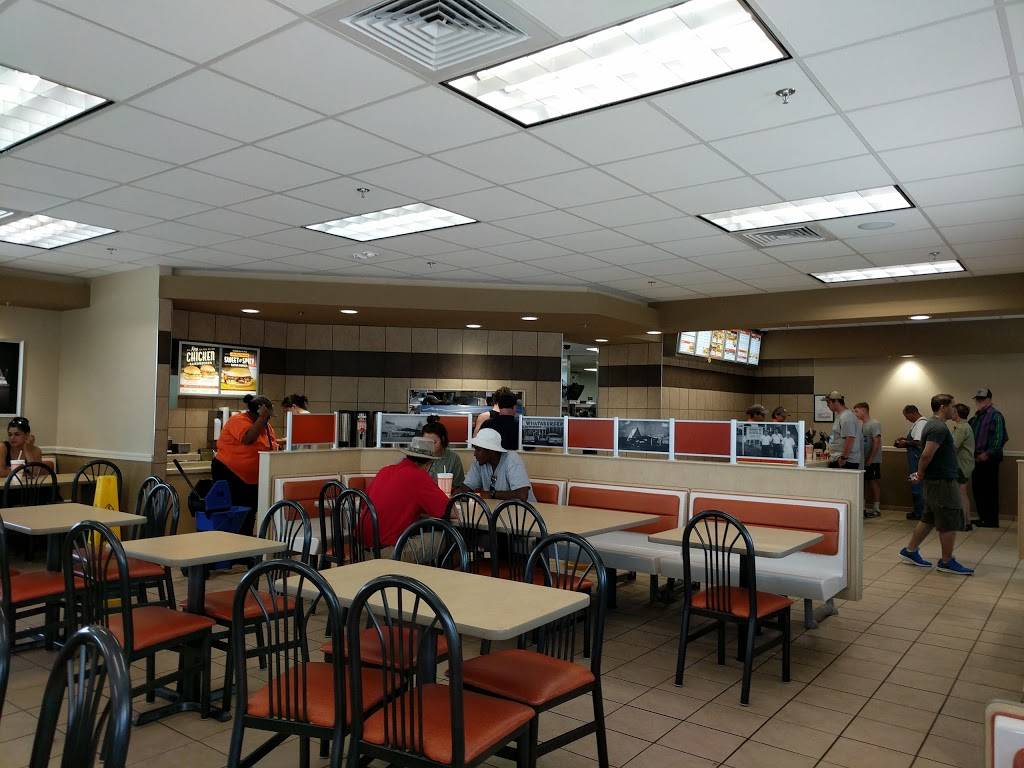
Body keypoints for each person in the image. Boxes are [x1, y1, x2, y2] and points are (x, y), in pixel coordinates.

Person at [898, 394, 974, 575]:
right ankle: (946, 561)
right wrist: (920, 473)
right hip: (942, 481)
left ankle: (910, 551)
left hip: (937, 480)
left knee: (929, 518)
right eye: (952, 406)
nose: (955, 409)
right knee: (949, 519)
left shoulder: (933, 424)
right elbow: (926, 454)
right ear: (942, 407)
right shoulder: (938, 427)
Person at [366, 436, 450, 548]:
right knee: (448, 537)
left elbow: (364, 504)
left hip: (359, 549)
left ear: (408, 455)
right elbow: (450, 511)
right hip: (387, 550)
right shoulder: (419, 476)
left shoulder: (384, 471)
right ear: (428, 464)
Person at [212, 394, 278, 535]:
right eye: (267, 416)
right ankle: (232, 544)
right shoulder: (238, 420)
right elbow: (248, 438)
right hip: (231, 475)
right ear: (257, 413)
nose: (268, 419)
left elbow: (270, 444)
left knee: (249, 514)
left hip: (252, 480)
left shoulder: (265, 426)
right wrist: (262, 418)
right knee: (236, 514)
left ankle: (245, 543)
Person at [456, 427, 536, 502]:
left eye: (478, 450)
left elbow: (522, 495)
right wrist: (454, 496)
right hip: (498, 510)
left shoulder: (511, 459)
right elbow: (464, 489)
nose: (475, 454)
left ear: (491, 451)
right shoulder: (479, 463)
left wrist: (492, 494)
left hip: (525, 510)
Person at [969, 388, 1008, 528]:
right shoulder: (977, 417)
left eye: (982, 399)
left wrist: (987, 454)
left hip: (989, 459)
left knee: (989, 490)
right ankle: (983, 518)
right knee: (978, 489)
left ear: (989, 400)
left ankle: (991, 520)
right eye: (977, 399)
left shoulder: (996, 416)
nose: (979, 402)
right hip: (976, 458)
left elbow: (1000, 437)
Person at [894, 405, 929, 520]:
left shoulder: (921, 423)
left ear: (912, 413)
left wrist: (905, 443)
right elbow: (914, 440)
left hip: (916, 461)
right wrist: (905, 439)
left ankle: (920, 513)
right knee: (915, 484)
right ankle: (917, 510)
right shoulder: (917, 424)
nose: (906, 419)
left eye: (906, 416)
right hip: (913, 460)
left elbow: (918, 442)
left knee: (917, 486)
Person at [420, 416, 465, 488]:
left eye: (434, 442)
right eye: (426, 442)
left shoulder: (453, 458)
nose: (429, 446)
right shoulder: (418, 456)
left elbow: (459, 485)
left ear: (443, 439)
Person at [854, 402, 882, 518]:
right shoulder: (861, 425)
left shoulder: (874, 424)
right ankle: (863, 507)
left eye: (857, 411)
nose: (855, 414)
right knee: (863, 483)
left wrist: (870, 458)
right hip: (862, 459)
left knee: (873, 482)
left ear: (864, 410)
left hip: (872, 460)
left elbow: (877, 442)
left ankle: (876, 508)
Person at [950, 403, 975, 527]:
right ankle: (966, 521)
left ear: (957, 413)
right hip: (966, 464)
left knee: (961, 493)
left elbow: (953, 447)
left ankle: (965, 522)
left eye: (953, 411)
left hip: (962, 465)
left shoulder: (961, 428)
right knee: (962, 493)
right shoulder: (966, 426)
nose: (951, 413)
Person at [825, 391, 862, 470]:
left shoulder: (846, 417)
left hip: (846, 461)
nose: (827, 405)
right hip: (839, 458)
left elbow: (850, 438)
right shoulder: (840, 416)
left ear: (836, 402)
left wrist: (844, 458)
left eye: (828, 402)